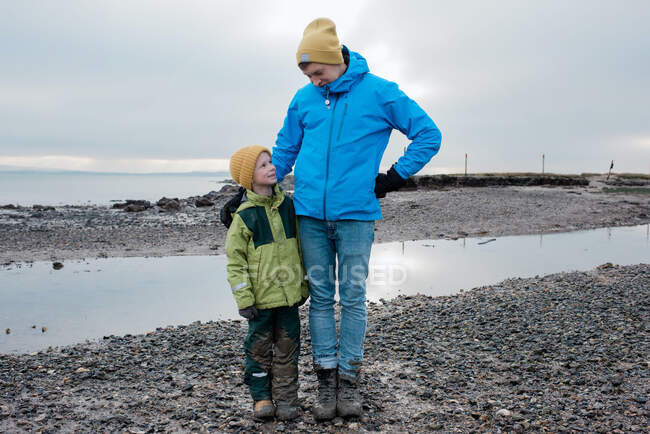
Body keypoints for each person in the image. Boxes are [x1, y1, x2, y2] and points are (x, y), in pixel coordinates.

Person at [272, 18, 442, 420]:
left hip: (355, 217)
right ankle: (325, 382)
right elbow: (284, 151)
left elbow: (428, 134)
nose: (314, 80)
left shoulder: (380, 92)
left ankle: (349, 381)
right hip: (309, 215)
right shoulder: (303, 99)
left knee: (351, 298)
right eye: (307, 74)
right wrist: (249, 192)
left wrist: (396, 176)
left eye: (318, 72)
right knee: (319, 300)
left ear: (337, 60)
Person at [225, 145, 309, 421]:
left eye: (270, 162)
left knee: (288, 350)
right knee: (258, 350)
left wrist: (303, 285)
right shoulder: (245, 216)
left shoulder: (287, 206)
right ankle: (261, 398)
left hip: (288, 300)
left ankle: (286, 400)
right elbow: (235, 262)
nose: (271, 167)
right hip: (259, 302)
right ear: (248, 177)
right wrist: (244, 299)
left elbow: (300, 249)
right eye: (262, 165)